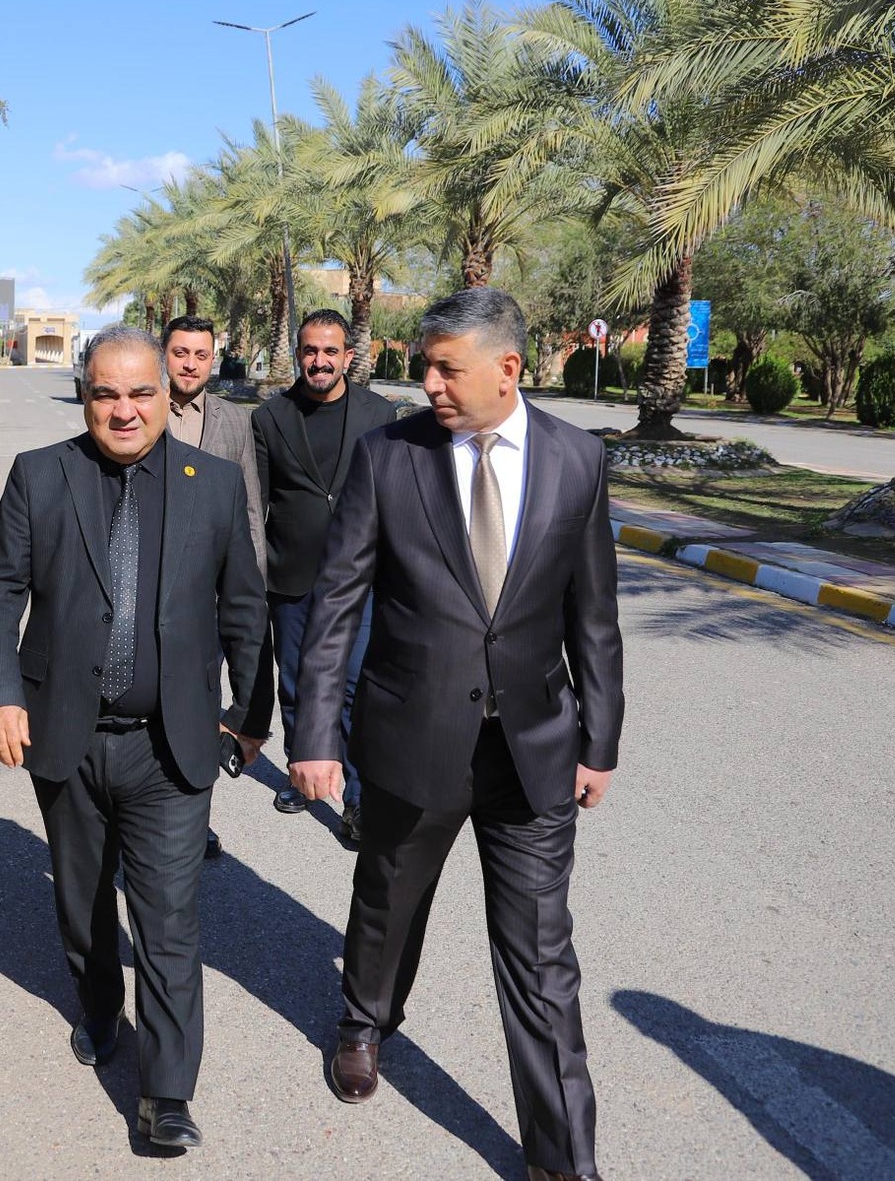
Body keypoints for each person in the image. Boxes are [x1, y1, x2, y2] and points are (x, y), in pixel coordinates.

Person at [290, 287, 622, 1181]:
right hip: (412, 737)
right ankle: (365, 1020)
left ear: (508, 367)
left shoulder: (578, 459)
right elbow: (336, 604)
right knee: (388, 900)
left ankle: (563, 1160)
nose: (427, 383)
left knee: (543, 958)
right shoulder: (387, 456)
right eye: (423, 367)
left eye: (445, 368)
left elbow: (594, 616)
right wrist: (315, 732)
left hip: (533, 750)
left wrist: (600, 742)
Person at [0, 325, 265, 1152]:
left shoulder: (213, 485)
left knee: (168, 917)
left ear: (167, 396)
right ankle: (99, 1004)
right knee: (82, 900)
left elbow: (246, 607)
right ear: (85, 397)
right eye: (107, 394)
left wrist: (250, 716)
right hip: (63, 734)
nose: (125, 409)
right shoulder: (40, 474)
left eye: (142, 393)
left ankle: (166, 1094)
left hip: (171, 746)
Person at [251, 308, 398, 838]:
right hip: (290, 577)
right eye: (310, 350)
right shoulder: (270, 418)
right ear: (298, 354)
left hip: (360, 581)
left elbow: (394, 497)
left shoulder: (380, 414)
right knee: (295, 684)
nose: (319, 360)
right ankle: (302, 772)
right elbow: (257, 502)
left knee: (355, 686)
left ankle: (357, 798)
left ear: (348, 357)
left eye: (330, 351)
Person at [161, 313, 266, 862]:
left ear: (213, 359)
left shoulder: (234, 421)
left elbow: (249, 506)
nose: (190, 364)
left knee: (202, 706)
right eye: (181, 353)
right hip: (153, 586)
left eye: (201, 355)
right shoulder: (143, 407)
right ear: (165, 354)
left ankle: (192, 820)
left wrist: (253, 584)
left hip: (214, 590)